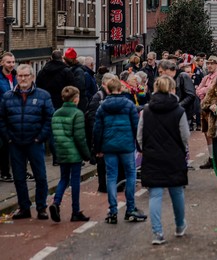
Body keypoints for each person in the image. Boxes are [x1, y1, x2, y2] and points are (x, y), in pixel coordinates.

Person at [137, 75, 189, 245]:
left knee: (155, 194)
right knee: (177, 192)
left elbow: (140, 135)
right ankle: (180, 225)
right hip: (174, 156)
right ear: (172, 89)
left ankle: (157, 233)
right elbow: (185, 135)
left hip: (153, 156)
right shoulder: (179, 111)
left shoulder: (146, 111)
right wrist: (183, 150)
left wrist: (146, 149)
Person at [0, 64, 54, 219]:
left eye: (26, 76)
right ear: (16, 77)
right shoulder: (8, 96)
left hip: (35, 143)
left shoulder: (43, 95)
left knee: (40, 177)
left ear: (32, 77)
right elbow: (2, 119)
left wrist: (40, 138)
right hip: (15, 142)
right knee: (19, 178)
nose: (23, 79)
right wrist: (8, 138)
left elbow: (49, 118)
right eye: (20, 76)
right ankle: (24, 208)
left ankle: (41, 207)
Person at [93, 77, 145, 224]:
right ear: (121, 89)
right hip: (126, 146)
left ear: (108, 90)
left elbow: (97, 130)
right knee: (130, 175)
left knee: (111, 176)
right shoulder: (129, 105)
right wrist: (140, 147)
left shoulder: (102, 107)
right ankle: (130, 208)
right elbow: (136, 127)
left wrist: (97, 149)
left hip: (109, 146)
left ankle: (113, 210)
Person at [49, 86, 91, 223]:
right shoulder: (77, 114)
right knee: (75, 181)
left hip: (61, 150)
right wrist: (87, 154)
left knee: (63, 179)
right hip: (74, 152)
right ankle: (75, 211)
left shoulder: (56, 113)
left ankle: (56, 202)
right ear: (76, 99)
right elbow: (79, 137)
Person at [196, 56, 217, 169]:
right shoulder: (206, 77)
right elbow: (198, 90)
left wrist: (204, 90)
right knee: (206, 133)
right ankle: (211, 157)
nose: (209, 65)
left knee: (214, 132)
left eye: (212, 63)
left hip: (213, 108)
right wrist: (203, 91)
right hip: (204, 107)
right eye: (208, 63)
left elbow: (211, 89)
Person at [0, 52, 16, 182]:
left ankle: (17, 171)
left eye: (12, 62)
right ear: (2, 63)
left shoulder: (17, 76)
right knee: (3, 144)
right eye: (8, 62)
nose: (11, 65)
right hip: (2, 116)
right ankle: (4, 172)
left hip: (15, 115)